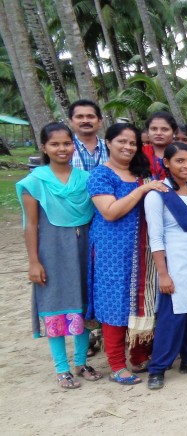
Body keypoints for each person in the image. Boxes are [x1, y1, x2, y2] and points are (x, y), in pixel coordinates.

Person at [19, 123, 100, 389]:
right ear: (44, 147)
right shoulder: (34, 182)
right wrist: (34, 262)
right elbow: (30, 225)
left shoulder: (86, 179)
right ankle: (61, 368)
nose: (62, 149)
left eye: (66, 143)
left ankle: (81, 362)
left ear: (73, 145)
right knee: (56, 305)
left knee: (83, 304)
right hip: (52, 249)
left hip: (85, 246)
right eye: (55, 144)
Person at [88, 123, 168, 385]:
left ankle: (139, 354)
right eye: (122, 141)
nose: (128, 147)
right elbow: (110, 212)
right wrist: (142, 189)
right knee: (115, 304)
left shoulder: (142, 173)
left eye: (132, 143)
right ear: (108, 143)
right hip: (113, 250)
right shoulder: (101, 175)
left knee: (144, 299)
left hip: (143, 249)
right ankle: (117, 365)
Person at [143, 143, 187, 390]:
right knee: (172, 316)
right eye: (180, 161)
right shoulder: (156, 194)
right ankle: (159, 367)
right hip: (176, 260)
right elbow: (156, 237)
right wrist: (163, 273)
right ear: (167, 163)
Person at [68, 100, 108, 171]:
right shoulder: (64, 149)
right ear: (71, 122)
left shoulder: (110, 148)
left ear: (100, 122)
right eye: (79, 117)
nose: (85, 121)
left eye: (90, 117)